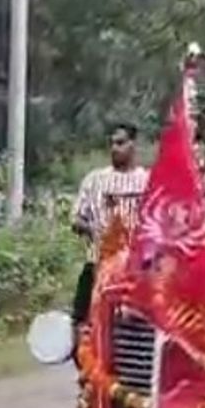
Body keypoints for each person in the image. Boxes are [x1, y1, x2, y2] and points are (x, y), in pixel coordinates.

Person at [71, 123, 149, 327]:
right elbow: (77, 218)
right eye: (112, 143)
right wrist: (95, 231)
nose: (114, 148)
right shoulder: (94, 180)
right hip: (98, 263)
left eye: (121, 143)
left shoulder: (147, 181)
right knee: (81, 322)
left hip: (137, 270)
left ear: (134, 145)